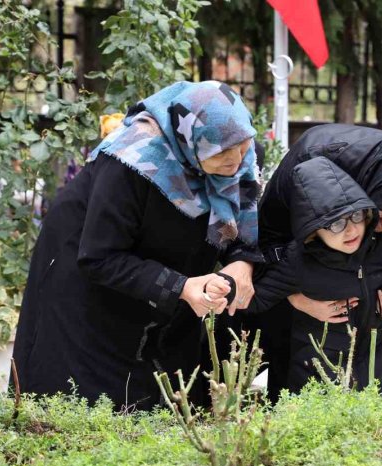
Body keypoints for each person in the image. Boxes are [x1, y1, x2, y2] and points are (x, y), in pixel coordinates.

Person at [13, 81, 260, 410]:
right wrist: (181, 286)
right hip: (86, 276)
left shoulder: (235, 144)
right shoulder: (133, 161)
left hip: (164, 278)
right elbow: (100, 256)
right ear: (190, 143)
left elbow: (243, 226)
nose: (235, 161)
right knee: (84, 397)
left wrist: (241, 264)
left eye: (242, 146)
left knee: (167, 398)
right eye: (221, 152)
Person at [251, 124, 382, 400]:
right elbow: (264, 240)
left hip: (378, 335)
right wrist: (294, 297)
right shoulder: (314, 159)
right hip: (308, 327)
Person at [247, 157, 382, 391]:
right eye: (336, 224)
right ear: (312, 229)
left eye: (356, 216)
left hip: (375, 374)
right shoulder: (297, 261)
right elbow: (253, 300)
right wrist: (296, 301)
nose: (350, 230)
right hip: (315, 381)